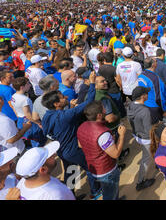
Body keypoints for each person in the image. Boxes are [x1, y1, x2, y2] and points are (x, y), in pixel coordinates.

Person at [41, 71, 101, 199]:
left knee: (71, 171)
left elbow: (48, 132)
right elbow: (89, 101)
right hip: (73, 150)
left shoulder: (47, 115)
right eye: (62, 97)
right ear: (56, 104)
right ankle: (96, 192)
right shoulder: (66, 115)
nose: (66, 98)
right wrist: (91, 83)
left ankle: (70, 195)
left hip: (62, 150)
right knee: (90, 168)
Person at [77, 101, 127, 200]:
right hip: (107, 170)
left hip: (94, 167)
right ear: (99, 115)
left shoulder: (82, 126)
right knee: (110, 194)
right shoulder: (103, 134)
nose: (106, 111)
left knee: (107, 190)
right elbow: (116, 154)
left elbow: (80, 145)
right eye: (104, 109)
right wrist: (121, 135)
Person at [126, 85, 157, 190]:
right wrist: (155, 138)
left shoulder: (130, 105)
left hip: (137, 135)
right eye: (146, 93)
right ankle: (140, 182)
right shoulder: (145, 111)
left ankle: (158, 162)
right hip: (146, 138)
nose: (148, 94)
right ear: (143, 96)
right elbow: (149, 130)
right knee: (145, 160)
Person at [11, 77, 46, 147]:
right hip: (29, 122)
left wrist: (19, 116)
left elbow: (13, 108)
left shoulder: (14, 96)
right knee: (38, 141)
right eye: (28, 84)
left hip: (21, 120)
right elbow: (28, 114)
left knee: (31, 140)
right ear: (22, 87)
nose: (30, 85)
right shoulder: (24, 99)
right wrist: (39, 123)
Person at [137, 57, 166, 123]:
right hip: (155, 108)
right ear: (153, 65)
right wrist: (164, 110)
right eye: (156, 61)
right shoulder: (155, 78)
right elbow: (159, 97)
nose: (157, 62)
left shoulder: (141, 76)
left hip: (145, 105)